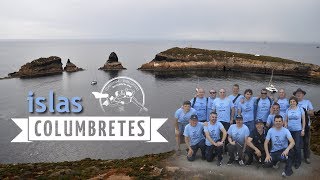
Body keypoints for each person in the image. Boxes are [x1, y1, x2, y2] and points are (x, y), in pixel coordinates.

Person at [294, 88, 314, 164]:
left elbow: (312, 113)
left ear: (303, 95)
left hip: (306, 126)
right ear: (295, 95)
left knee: (306, 142)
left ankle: (307, 156)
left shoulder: (307, 102)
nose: (299, 94)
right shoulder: (293, 103)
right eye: (297, 93)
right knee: (296, 142)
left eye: (300, 93)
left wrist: (304, 111)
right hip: (296, 126)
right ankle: (296, 156)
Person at [285, 96, 305, 169]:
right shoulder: (288, 110)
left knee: (297, 147)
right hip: (289, 131)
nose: (292, 103)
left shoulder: (300, 109)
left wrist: (303, 130)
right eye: (291, 102)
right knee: (290, 146)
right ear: (289, 103)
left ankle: (298, 161)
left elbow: (303, 120)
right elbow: (286, 120)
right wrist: (285, 127)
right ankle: (291, 159)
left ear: (296, 102)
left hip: (298, 130)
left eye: (293, 101)